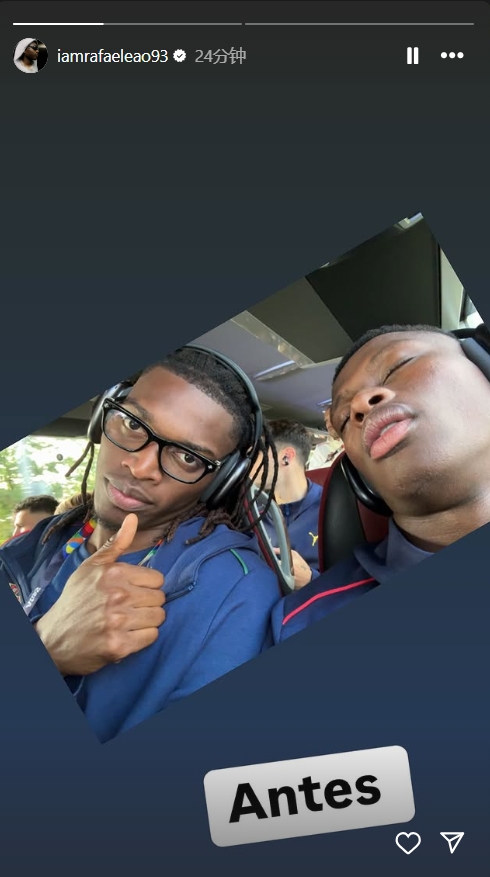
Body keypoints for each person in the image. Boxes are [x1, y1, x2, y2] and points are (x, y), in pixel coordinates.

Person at [0, 346, 280, 742]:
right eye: (132, 423)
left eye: (187, 457)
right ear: (101, 419)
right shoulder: (35, 544)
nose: (140, 467)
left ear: (220, 481)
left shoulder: (237, 591)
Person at [271, 324, 490, 642]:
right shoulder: (298, 622)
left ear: (483, 364)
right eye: (345, 418)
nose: (360, 404)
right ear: (361, 479)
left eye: (398, 366)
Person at [262, 420, 322, 589]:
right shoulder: (254, 511)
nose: (248, 464)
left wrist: (312, 580)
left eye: (256, 454)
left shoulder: (332, 510)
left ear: (286, 458)